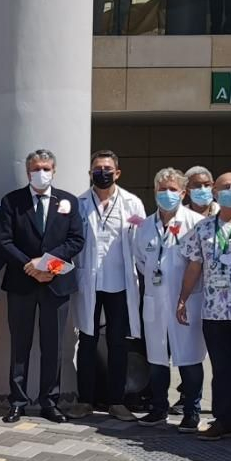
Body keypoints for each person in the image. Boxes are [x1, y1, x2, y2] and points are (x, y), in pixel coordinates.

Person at [0, 150, 85, 423]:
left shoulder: (68, 201)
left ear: (54, 170)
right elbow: (4, 241)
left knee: (53, 346)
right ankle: (17, 401)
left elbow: (76, 240)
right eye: (35, 168)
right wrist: (30, 265)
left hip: (56, 283)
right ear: (27, 172)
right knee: (19, 345)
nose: (40, 173)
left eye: (45, 168)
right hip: (22, 282)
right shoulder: (12, 201)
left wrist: (47, 265)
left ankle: (50, 402)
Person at [176, 172, 231, 441]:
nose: (230, 191)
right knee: (221, 369)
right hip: (214, 309)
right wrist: (183, 298)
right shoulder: (203, 228)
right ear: (215, 192)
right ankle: (223, 420)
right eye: (224, 187)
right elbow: (194, 265)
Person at [73, 150, 144, 419]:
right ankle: (84, 400)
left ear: (118, 173)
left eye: (107, 169)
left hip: (120, 283)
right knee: (87, 340)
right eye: (97, 169)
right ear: (90, 173)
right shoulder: (79, 203)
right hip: (89, 281)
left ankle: (117, 401)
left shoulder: (132, 203)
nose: (102, 173)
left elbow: (141, 242)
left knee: (118, 342)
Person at [135, 169, 206, 429]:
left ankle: (192, 411)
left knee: (189, 358)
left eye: (173, 189)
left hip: (187, 300)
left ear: (183, 193)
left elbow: (201, 263)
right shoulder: (144, 226)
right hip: (155, 301)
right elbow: (140, 261)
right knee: (156, 358)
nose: (167, 194)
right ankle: (158, 408)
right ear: (155, 192)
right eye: (162, 189)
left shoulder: (196, 223)